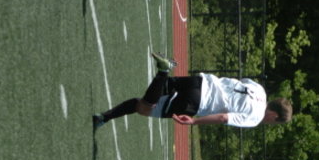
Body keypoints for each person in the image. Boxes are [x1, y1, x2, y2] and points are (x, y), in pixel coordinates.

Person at [92, 52, 292, 131]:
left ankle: (104, 117)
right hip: (197, 101)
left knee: (143, 102)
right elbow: (223, 117)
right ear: (274, 115)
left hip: (200, 81)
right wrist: (195, 121)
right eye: (274, 122)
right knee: (145, 108)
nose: (270, 123)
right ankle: (163, 71)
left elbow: (239, 83)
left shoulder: (260, 90)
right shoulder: (255, 118)